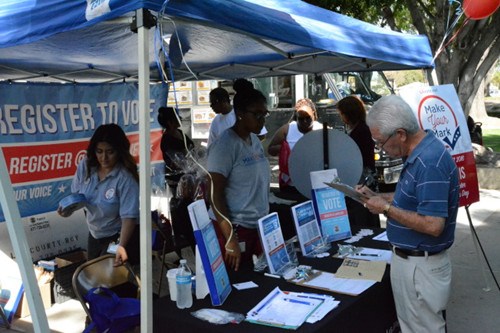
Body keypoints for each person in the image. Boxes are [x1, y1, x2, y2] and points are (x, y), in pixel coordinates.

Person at [356, 95, 459, 333]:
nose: (379, 148)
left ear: (400, 134)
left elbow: (433, 225)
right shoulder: (421, 153)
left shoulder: (428, 162)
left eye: (380, 142)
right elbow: (413, 199)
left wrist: (386, 209)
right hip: (413, 263)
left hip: (420, 266)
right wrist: (379, 197)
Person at [207, 78, 270, 271]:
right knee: (239, 284)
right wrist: (230, 239)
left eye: (264, 114)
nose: (262, 120)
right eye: (257, 114)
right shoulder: (225, 145)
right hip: (235, 228)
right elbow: (214, 195)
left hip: (256, 225)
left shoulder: (254, 139)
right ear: (240, 114)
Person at [58, 124, 140, 267]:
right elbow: (78, 197)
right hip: (95, 233)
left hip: (119, 235)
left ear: (119, 151)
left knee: (111, 281)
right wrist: (67, 210)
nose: (104, 158)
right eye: (99, 151)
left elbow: (129, 218)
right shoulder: (86, 165)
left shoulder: (125, 178)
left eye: (110, 152)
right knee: (93, 278)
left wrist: (121, 246)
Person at [337, 95, 380, 227]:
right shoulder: (361, 128)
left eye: (342, 113)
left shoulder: (360, 131)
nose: (341, 117)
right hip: (365, 175)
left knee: (363, 212)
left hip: (362, 177)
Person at [267, 98, 322, 192]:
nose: (305, 121)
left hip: (315, 182)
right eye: (301, 119)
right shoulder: (287, 129)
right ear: (296, 117)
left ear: (313, 113)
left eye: (308, 118)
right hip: (291, 183)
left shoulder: (321, 129)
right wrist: (286, 149)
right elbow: (270, 149)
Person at [158, 106, 195, 194]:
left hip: (189, 174)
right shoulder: (167, 140)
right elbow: (175, 162)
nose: (180, 119)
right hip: (177, 179)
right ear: (170, 122)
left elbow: (190, 147)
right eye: (177, 117)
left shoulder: (180, 132)